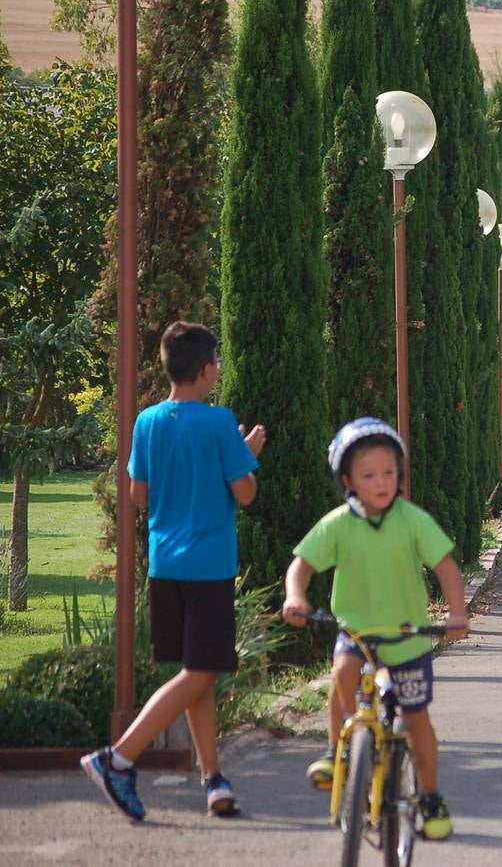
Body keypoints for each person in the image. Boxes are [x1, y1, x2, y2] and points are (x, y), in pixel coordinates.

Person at [81, 321, 267, 821]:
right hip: (209, 570)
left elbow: (139, 495)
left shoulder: (147, 422)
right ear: (207, 371)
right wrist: (246, 454)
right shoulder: (220, 423)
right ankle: (117, 758)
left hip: (165, 566)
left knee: (197, 676)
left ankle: (213, 780)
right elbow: (245, 494)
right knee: (200, 672)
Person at [281, 418, 469, 841]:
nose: (381, 482)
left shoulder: (413, 520)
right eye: (369, 475)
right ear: (347, 480)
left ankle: (432, 795)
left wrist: (456, 613)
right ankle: (335, 752)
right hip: (359, 632)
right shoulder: (338, 524)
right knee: (342, 676)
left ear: (399, 475)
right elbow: (302, 565)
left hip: (408, 639)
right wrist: (296, 595)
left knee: (416, 720)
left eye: (389, 472)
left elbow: (447, 568)